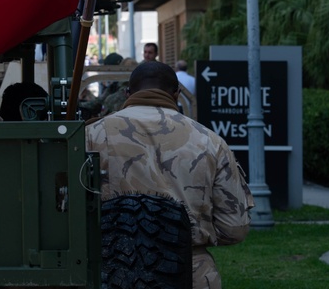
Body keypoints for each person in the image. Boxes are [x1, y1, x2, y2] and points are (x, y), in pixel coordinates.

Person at [86, 61, 253, 288]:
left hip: (111, 271)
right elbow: (234, 228)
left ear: (127, 93)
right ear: (176, 94)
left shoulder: (90, 135)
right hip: (188, 270)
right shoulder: (210, 141)